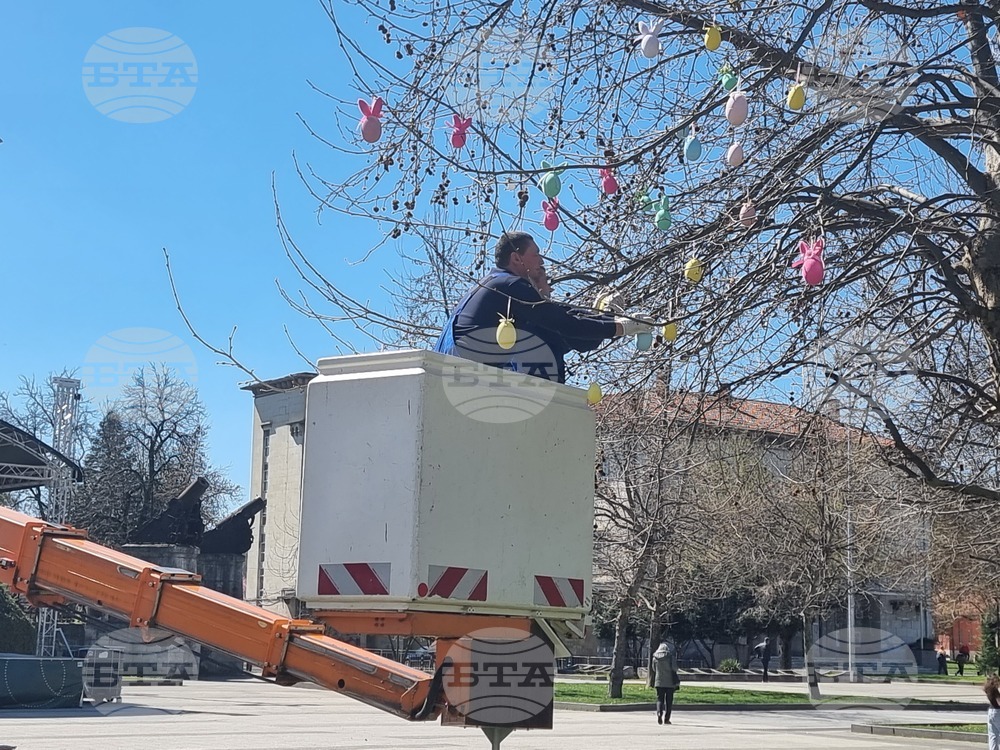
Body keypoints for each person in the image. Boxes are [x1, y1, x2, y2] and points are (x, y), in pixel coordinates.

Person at [434, 231, 651, 383]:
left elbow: (561, 321)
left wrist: (602, 317)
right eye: (536, 254)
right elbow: (562, 323)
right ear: (516, 259)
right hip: (465, 373)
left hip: (456, 371)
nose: (542, 261)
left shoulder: (492, 285)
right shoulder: (509, 285)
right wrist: (620, 327)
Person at [647, 641, 680, 725]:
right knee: (669, 701)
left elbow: (654, 669)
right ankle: (667, 719)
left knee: (659, 699)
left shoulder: (655, 657)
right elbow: (675, 668)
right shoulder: (670, 657)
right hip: (670, 682)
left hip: (658, 681)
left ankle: (659, 713)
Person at [985, 675, 1000, 750]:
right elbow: (999, 702)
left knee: (993, 735)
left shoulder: (988, 689)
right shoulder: (995, 690)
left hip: (991, 711)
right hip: (998, 712)